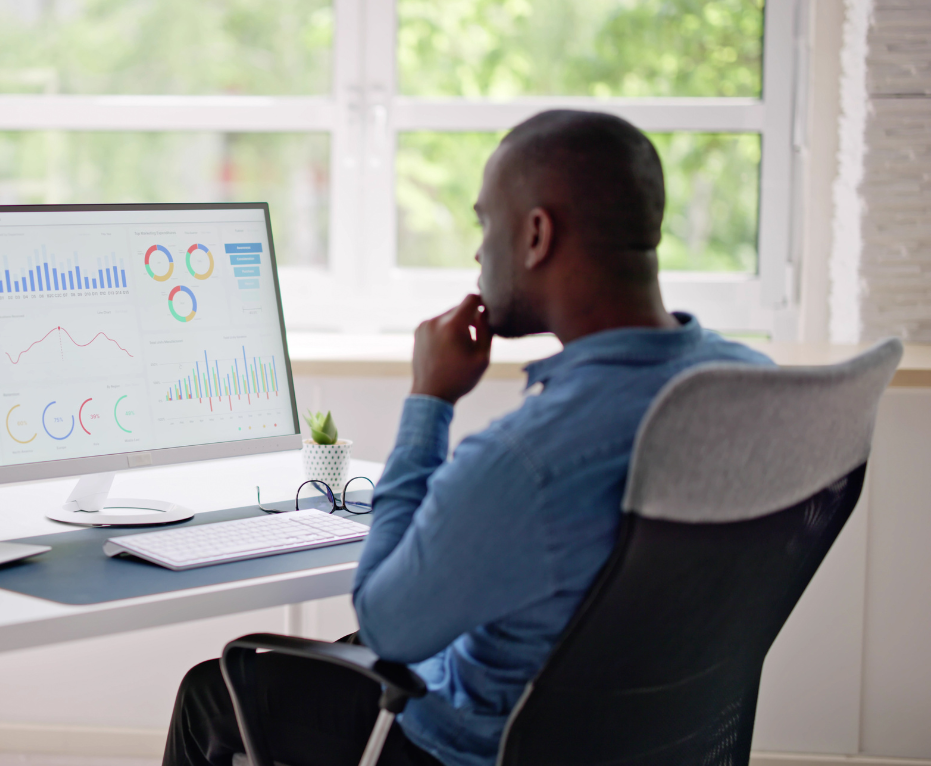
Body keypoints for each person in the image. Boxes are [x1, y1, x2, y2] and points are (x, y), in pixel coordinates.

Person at [162, 109, 774, 766]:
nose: (480, 251)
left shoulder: (529, 459)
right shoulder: (750, 385)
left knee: (214, 690)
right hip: (655, 737)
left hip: (476, 745)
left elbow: (386, 626)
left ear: (536, 234)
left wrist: (429, 400)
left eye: (486, 223)